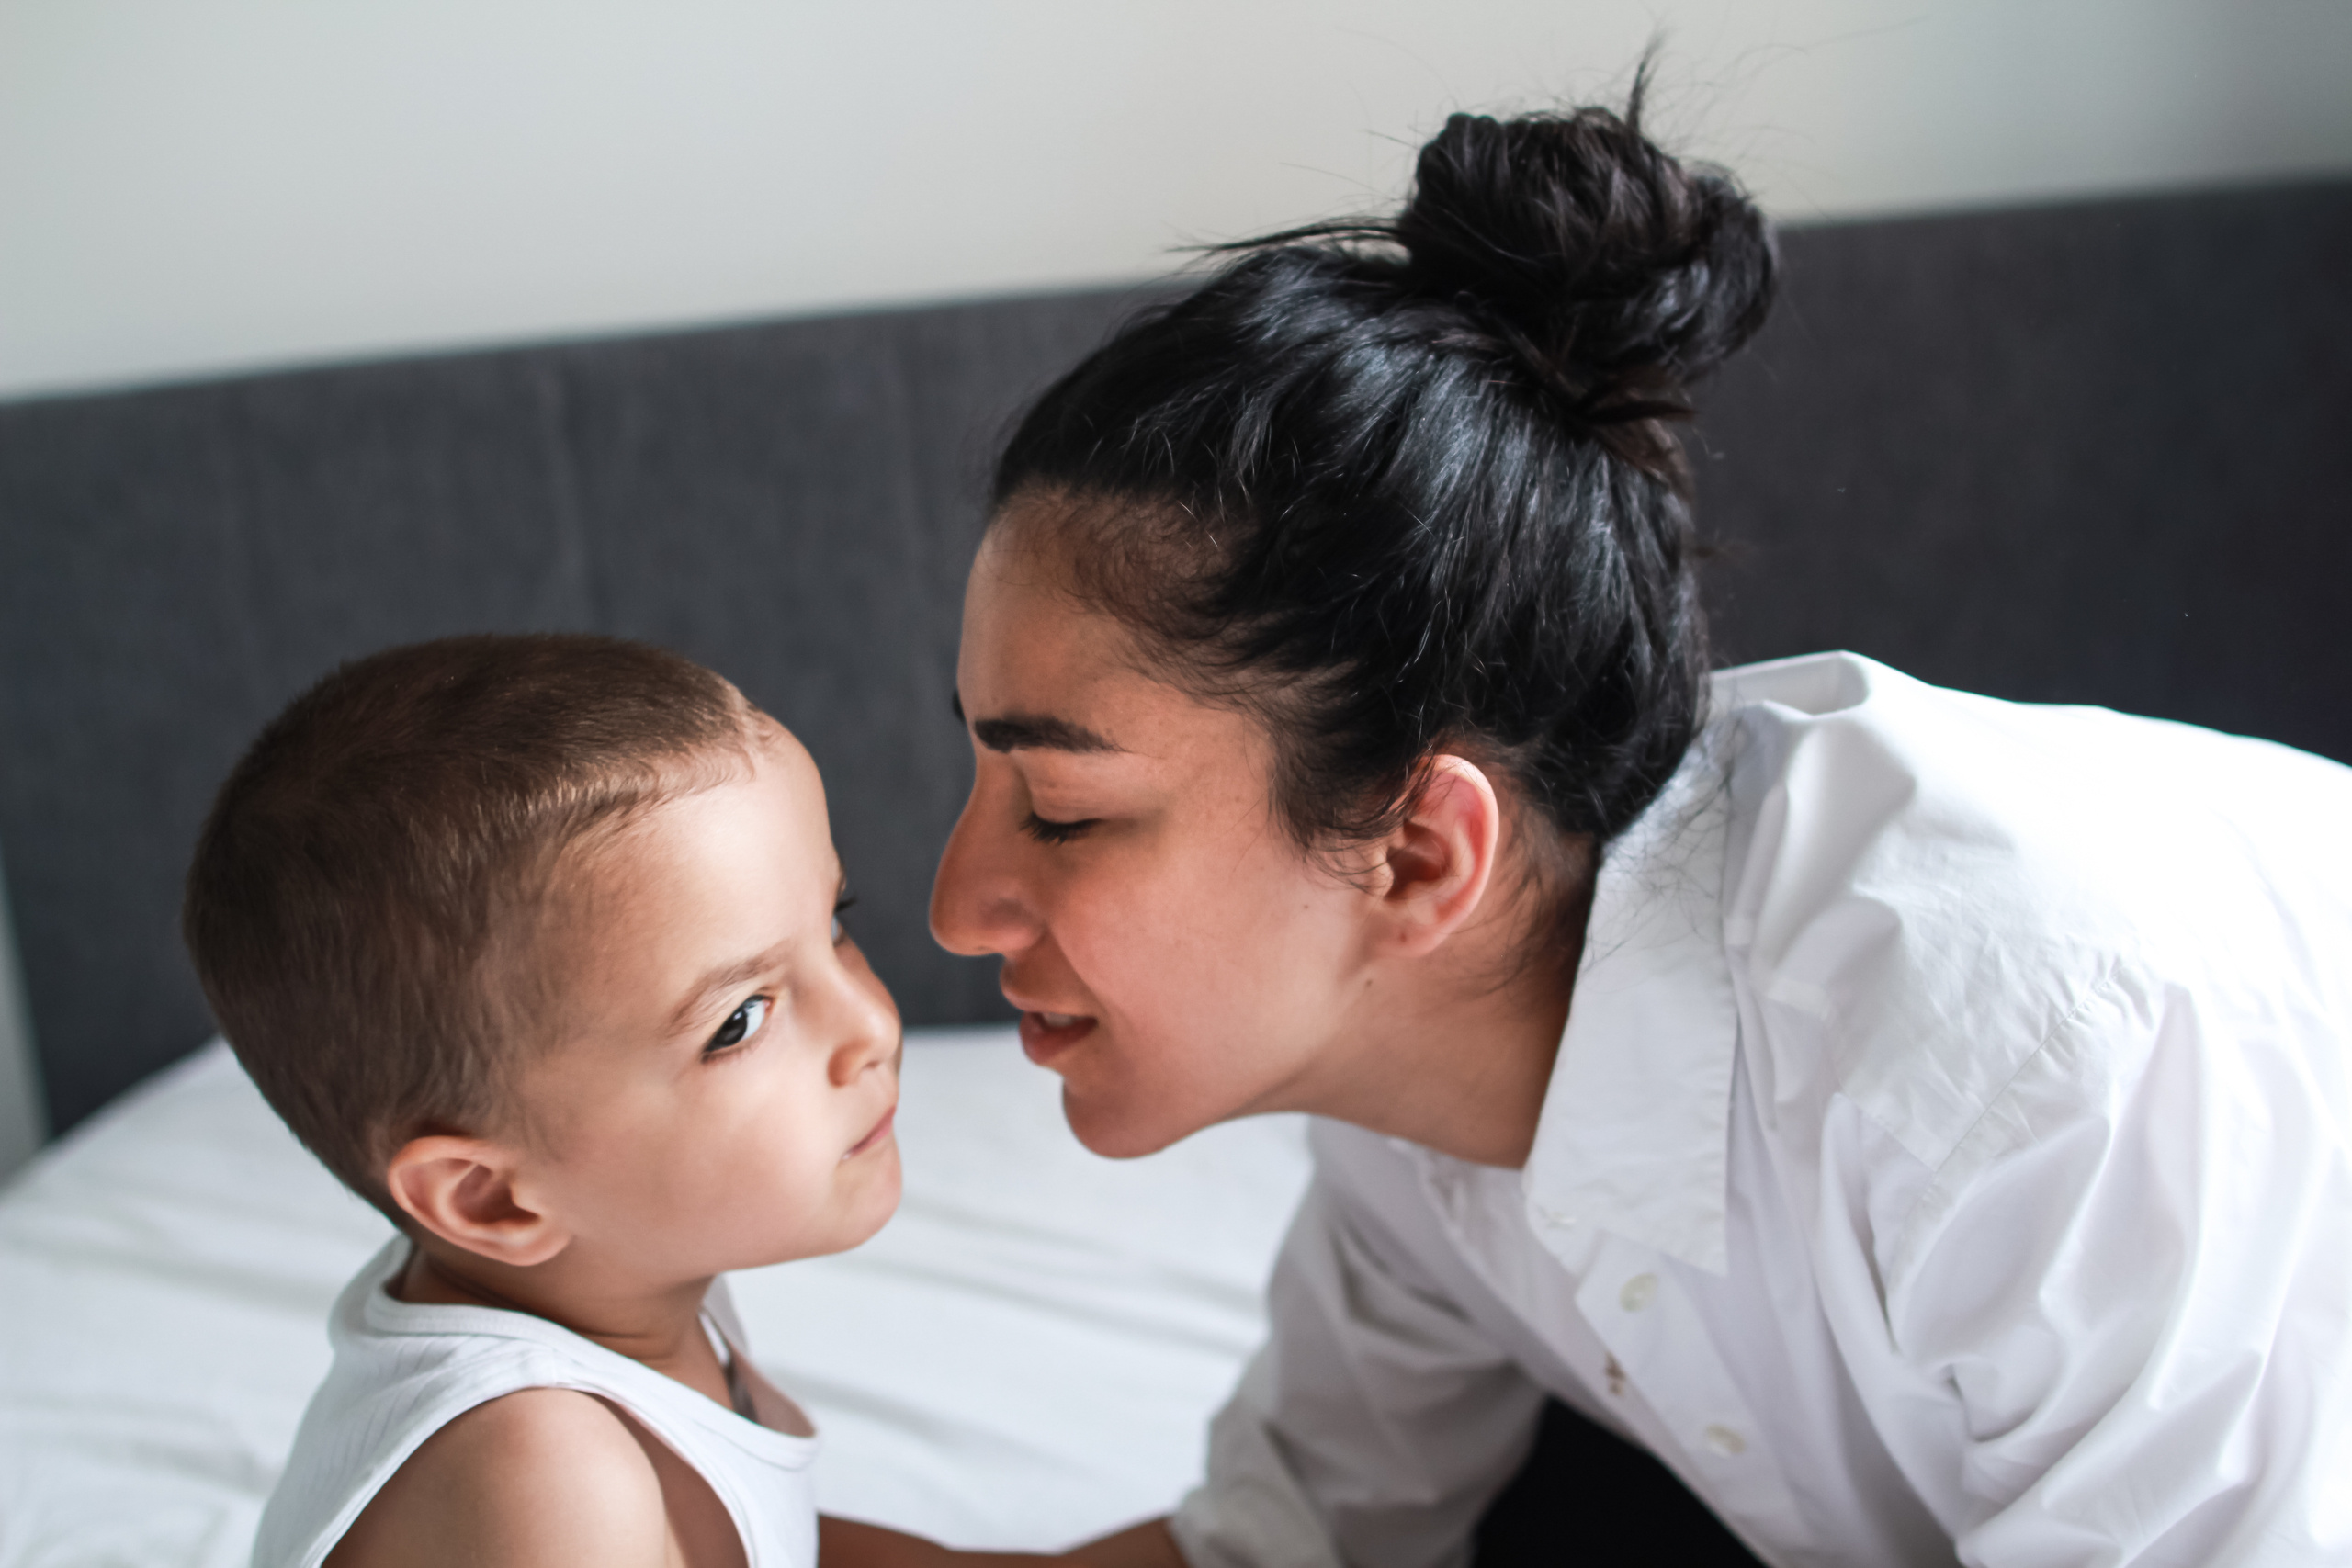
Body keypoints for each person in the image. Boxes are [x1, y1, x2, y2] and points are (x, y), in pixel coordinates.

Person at [923, 89, 2352, 1567]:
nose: (958, 905)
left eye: (1066, 810)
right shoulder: (1407, 1113)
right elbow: (1288, 1546)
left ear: (1420, 853)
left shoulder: (2014, 1065)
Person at [184, 634, 904, 1568]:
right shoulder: (545, 1469)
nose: (871, 1027)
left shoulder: (628, 1280)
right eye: (739, 1021)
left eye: (836, 927)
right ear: (492, 1197)